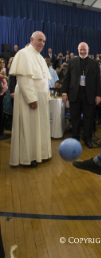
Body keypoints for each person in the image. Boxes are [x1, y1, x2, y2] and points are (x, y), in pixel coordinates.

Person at [9, 31, 52, 167]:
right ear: (31, 39)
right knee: (28, 127)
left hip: (40, 97)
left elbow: (44, 79)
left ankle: (40, 154)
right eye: (39, 40)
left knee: (38, 128)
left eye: (44, 41)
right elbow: (23, 79)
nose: (42, 43)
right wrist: (31, 98)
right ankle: (28, 158)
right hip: (30, 97)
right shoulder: (23, 53)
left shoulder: (39, 56)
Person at [62, 42, 101, 148]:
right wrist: (64, 93)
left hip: (89, 95)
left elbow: (98, 80)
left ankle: (87, 139)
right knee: (75, 118)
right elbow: (66, 79)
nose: (82, 51)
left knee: (88, 118)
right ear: (77, 50)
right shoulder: (72, 61)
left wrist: (98, 95)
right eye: (81, 50)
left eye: (84, 49)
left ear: (88, 49)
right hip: (75, 94)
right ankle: (75, 137)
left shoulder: (94, 63)